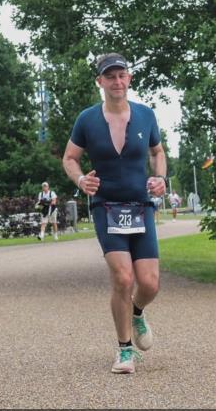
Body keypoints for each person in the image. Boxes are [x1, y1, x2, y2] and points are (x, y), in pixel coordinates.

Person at [62, 53, 167, 375]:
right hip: (106, 207)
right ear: (100, 82)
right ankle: (124, 351)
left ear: (129, 79)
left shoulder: (146, 115)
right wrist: (81, 179)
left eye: (122, 75)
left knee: (149, 283)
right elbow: (69, 158)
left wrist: (160, 178)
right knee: (122, 277)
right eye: (110, 76)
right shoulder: (87, 119)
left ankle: (136, 312)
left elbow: (158, 151)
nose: (117, 82)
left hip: (140, 206)